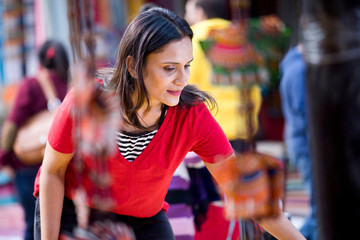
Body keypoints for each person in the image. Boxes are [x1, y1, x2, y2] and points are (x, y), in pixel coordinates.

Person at [33, 7, 304, 240]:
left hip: (145, 220)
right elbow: (52, 172)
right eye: (169, 68)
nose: (183, 79)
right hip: (75, 213)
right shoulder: (86, 102)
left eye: (187, 65)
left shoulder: (191, 114)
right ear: (132, 66)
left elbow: (246, 195)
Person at [184, 0, 263, 239]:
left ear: (199, 10)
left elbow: (184, 90)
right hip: (241, 134)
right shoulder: (242, 38)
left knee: (210, 207)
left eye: (188, 8)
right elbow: (255, 90)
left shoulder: (192, 41)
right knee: (244, 206)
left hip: (207, 140)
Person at [0, 40, 69, 240]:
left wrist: (4, 160)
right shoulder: (68, 89)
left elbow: (12, 125)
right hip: (61, 169)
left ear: (41, 60)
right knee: (58, 227)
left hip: (28, 169)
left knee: (33, 226)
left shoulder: (31, 85)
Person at [279, 44, 319, 240]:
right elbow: (306, 114)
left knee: (319, 206)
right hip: (307, 144)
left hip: (303, 142)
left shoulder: (295, 64)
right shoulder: (299, 69)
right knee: (321, 206)